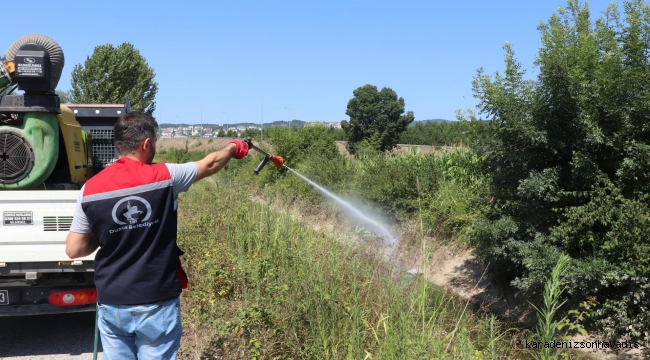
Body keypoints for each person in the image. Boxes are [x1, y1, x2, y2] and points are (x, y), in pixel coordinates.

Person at [65, 112, 249, 360]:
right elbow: (211, 163)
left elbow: (74, 249)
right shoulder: (166, 177)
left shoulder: (90, 188)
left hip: (113, 301)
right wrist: (234, 146)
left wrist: (110, 232)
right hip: (155, 301)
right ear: (146, 144)